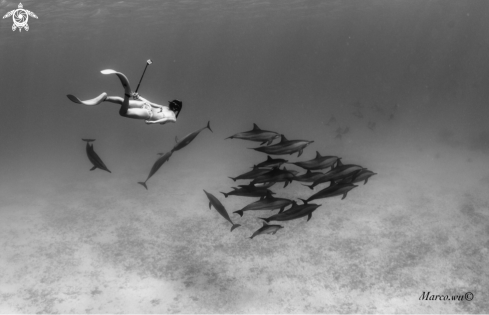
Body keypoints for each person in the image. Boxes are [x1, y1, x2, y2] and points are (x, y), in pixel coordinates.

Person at [67, 69, 182, 125]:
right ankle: (127, 94)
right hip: (149, 114)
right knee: (123, 112)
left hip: (145, 105)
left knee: (121, 102)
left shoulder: (165, 106)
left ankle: (105, 98)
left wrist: (139, 98)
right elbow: (165, 119)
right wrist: (152, 123)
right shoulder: (173, 117)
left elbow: (150, 103)